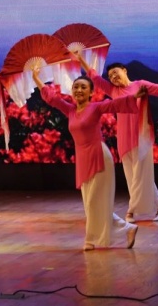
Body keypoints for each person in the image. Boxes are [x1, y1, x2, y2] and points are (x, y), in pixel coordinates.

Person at [76, 53, 158, 222]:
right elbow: (95, 77)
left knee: (139, 175)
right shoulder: (113, 91)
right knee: (133, 175)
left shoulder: (140, 85)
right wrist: (81, 59)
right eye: (110, 76)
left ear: (125, 71)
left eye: (115, 73)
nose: (113, 77)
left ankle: (131, 211)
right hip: (124, 138)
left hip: (141, 135)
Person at [32, 66, 146, 251]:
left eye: (83, 87)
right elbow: (51, 98)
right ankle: (127, 229)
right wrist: (36, 78)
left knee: (94, 201)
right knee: (90, 204)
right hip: (82, 159)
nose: (79, 90)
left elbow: (115, 104)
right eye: (76, 87)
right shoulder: (70, 110)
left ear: (91, 92)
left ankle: (90, 239)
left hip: (99, 155)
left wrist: (134, 97)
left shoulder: (96, 107)